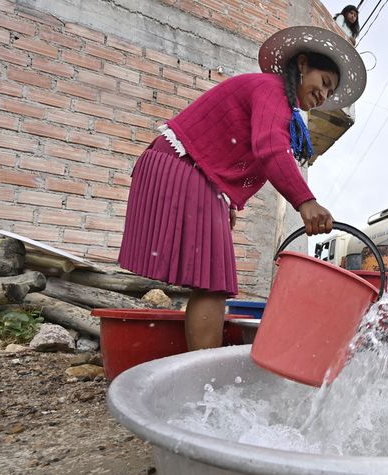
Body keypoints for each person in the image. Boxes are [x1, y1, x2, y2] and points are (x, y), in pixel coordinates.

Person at [118, 26, 366, 351]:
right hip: (181, 165)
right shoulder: (272, 89)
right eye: (323, 84)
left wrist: (229, 202)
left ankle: (197, 371)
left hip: (185, 168)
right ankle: (203, 379)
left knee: (209, 280)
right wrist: (305, 201)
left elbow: (237, 150)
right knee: (212, 283)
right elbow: (269, 148)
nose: (323, 96)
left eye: (330, 93)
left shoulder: (278, 103)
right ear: (302, 65)